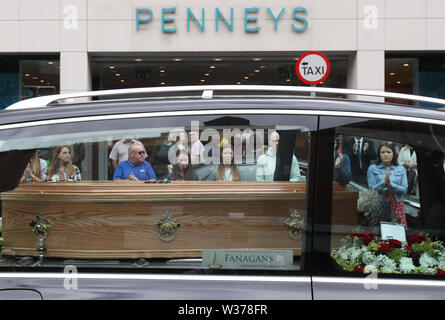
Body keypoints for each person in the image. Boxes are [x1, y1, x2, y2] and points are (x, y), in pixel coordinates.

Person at [367, 142, 408, 229]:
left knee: (398, 232)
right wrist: (383, 182)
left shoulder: (401, 168)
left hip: (396, 205)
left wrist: (392, 185)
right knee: (378, 233)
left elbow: (404, 189)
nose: (386, 155)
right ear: (379, 154)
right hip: (379, 205)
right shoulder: (372, 168)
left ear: (393, 154)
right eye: (383, 152)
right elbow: (371, 189)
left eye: (388, 152)